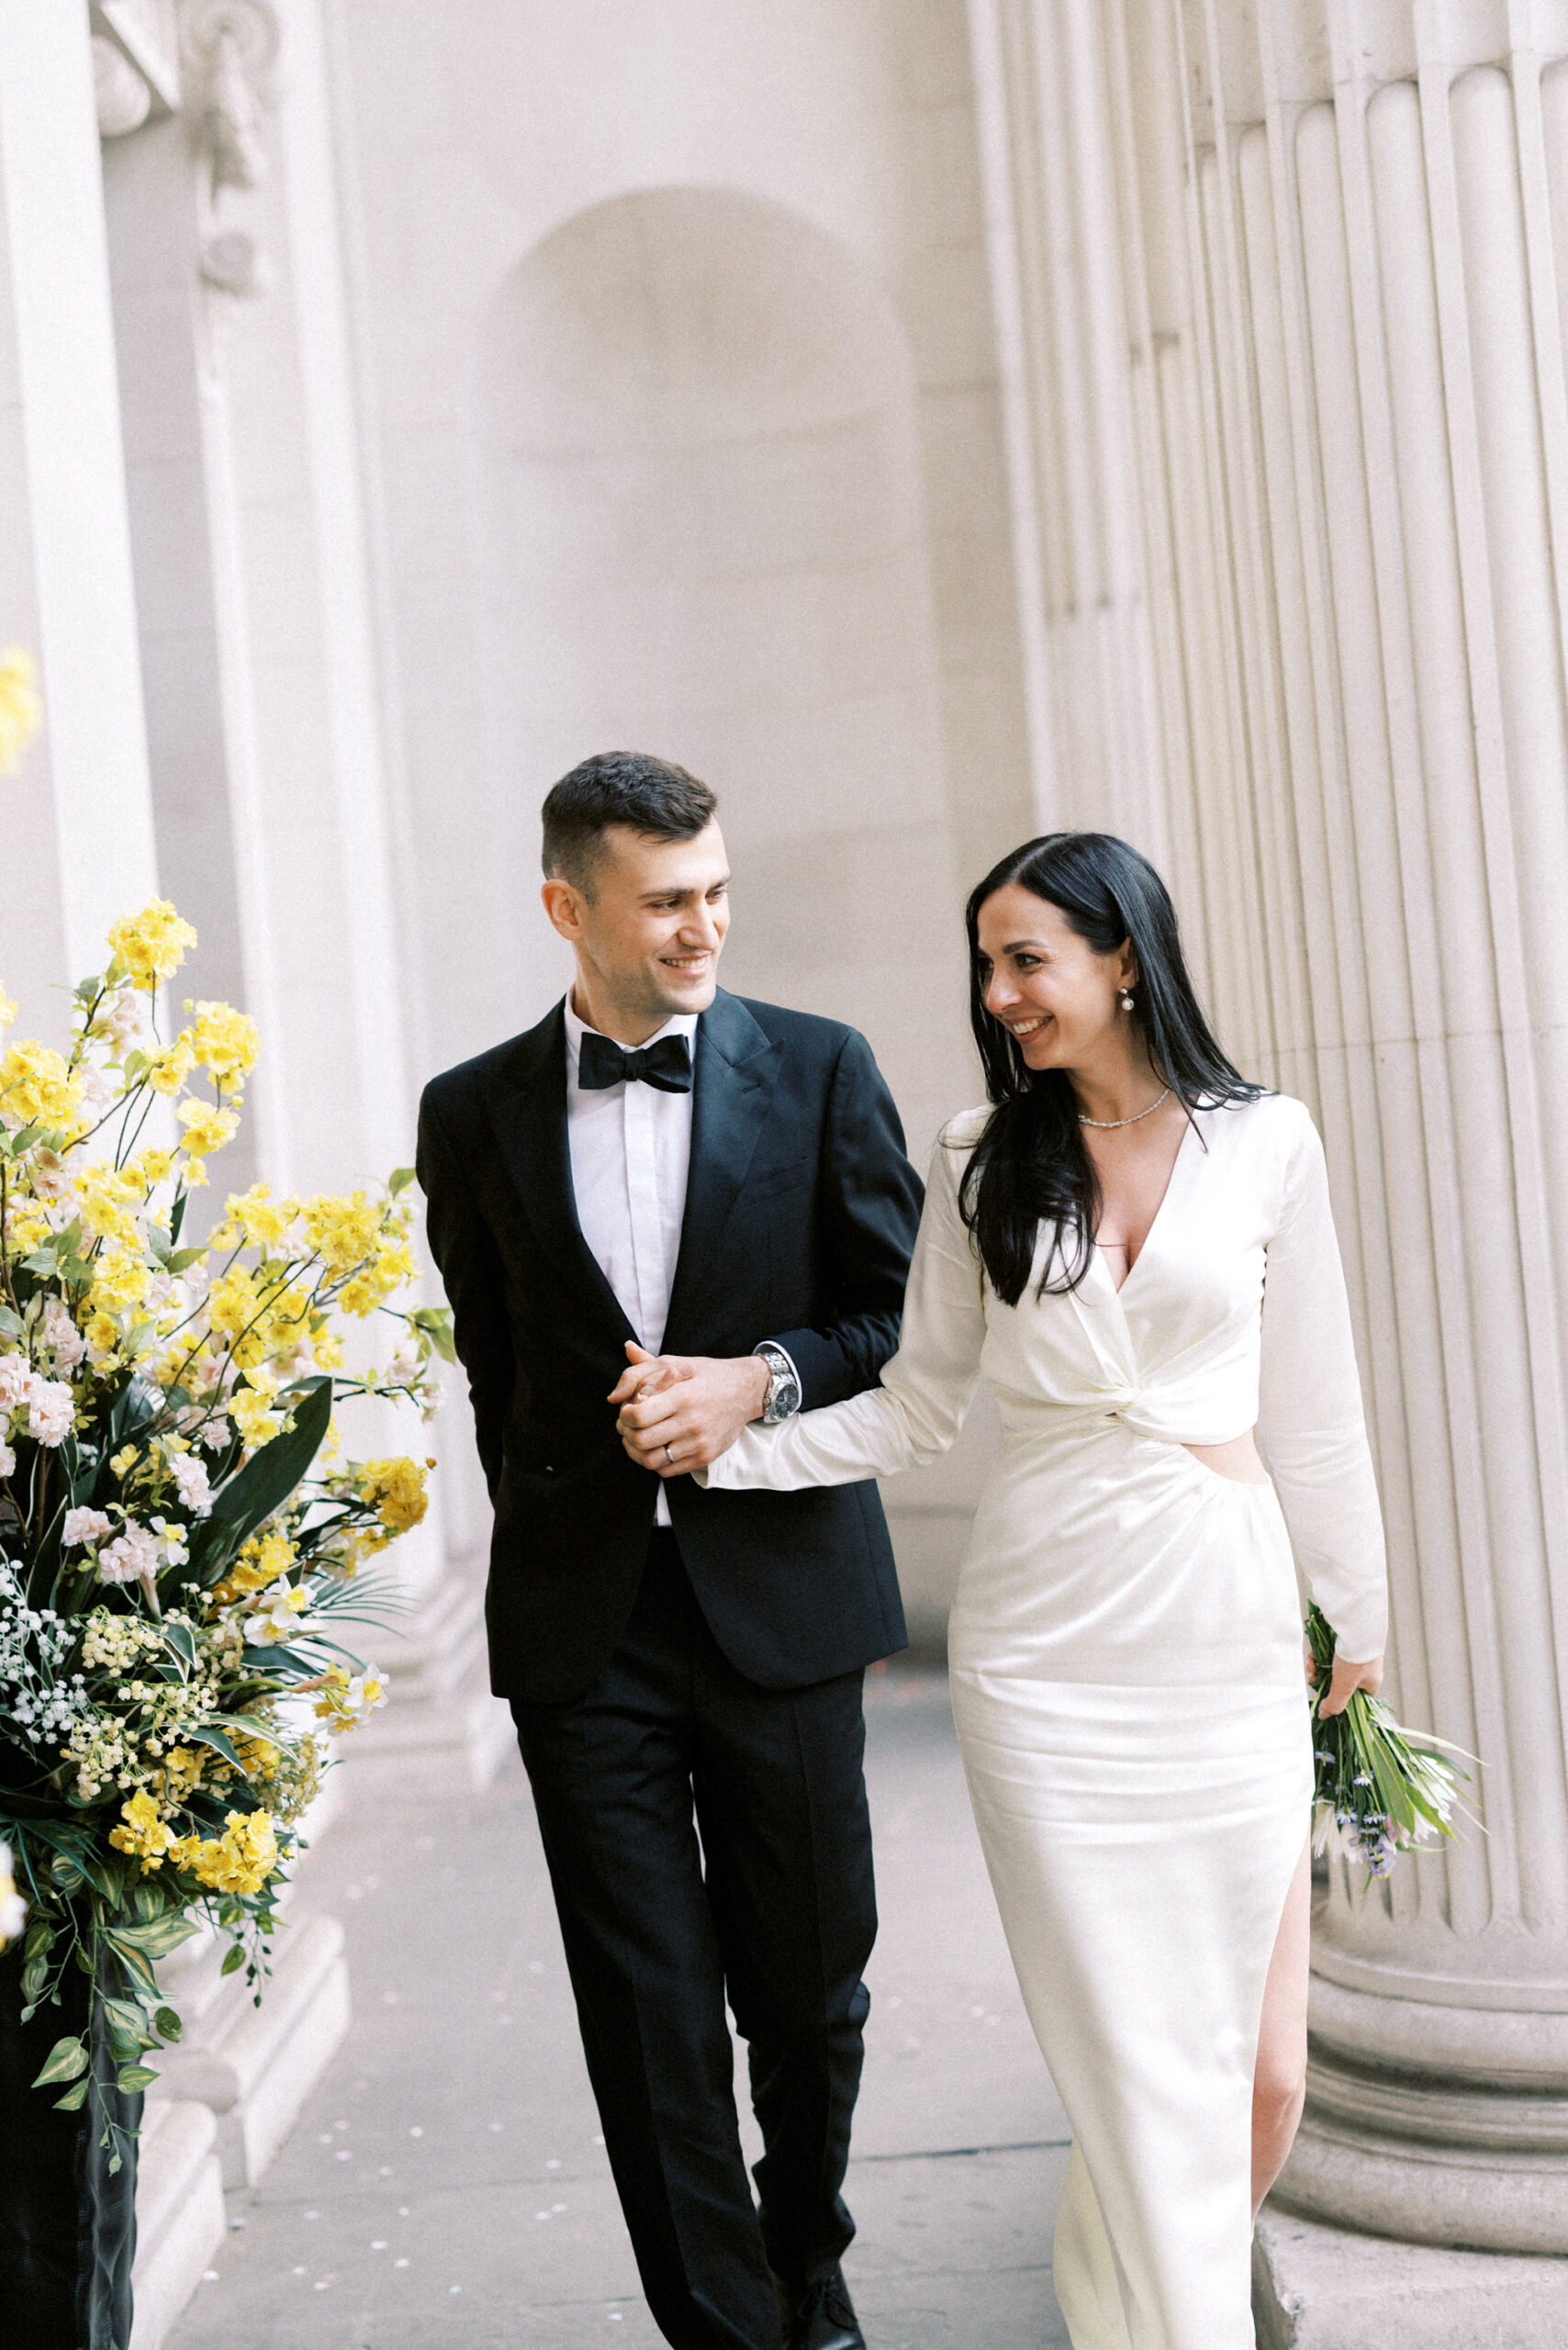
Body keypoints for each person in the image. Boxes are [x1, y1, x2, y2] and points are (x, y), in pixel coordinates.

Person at [619, 831, 1389, 2350]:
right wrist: (725, 1437)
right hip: (1045, 1659)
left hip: (1222, 1633)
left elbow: (1316, 1405)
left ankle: (1127, 2304)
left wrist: (1353, 1615)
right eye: (988, 963)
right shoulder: (982, 1154)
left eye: (1026, 957)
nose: (1000, 992)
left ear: (1124, 957)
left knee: (1259, 2071)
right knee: (1126, 2059)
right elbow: (915, 1407)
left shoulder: (1270, 1141)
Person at [416, 752, 923, 2350]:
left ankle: (807, 2262)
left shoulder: (827, 1070)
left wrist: (754, 1385)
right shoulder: (471, 1112)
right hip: (588, 1632)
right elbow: (499, 1365)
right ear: (569, 909)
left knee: (807, 1988)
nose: (705, 927)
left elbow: (896, 1321)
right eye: (666, 902)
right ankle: (725, 2328)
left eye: (717, 891)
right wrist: (566, 1512)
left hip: (780, 1597)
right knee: (645, 2019)